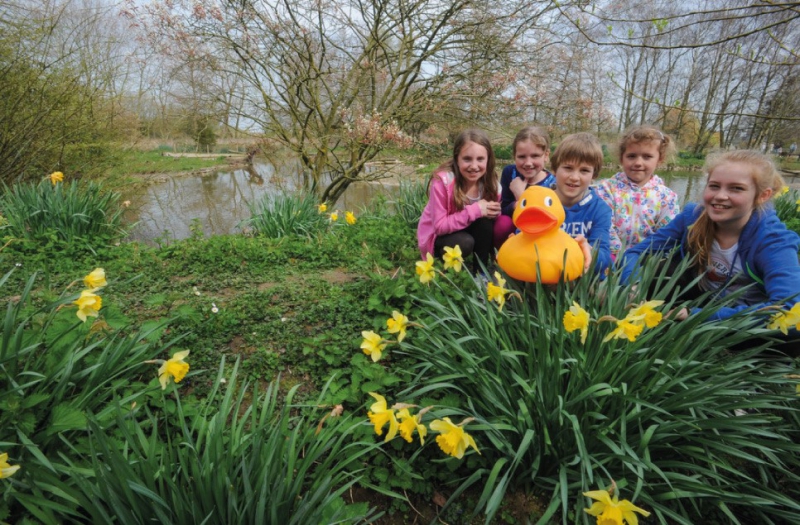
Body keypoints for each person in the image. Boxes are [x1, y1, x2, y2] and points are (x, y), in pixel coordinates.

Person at [620, 150, 800, 351]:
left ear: (762, 195)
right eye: (714, 186)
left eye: (736, 188)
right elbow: (636, 253)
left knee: (792, 331)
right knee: (661, 268)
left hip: (743, 318)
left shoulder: (773, 241)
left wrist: (696, 315)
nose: (720, 196)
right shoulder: (692, 216)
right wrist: (633, 285)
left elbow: (789, 307)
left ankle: (728, 350)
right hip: (703, 298)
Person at [417, 128, 501, 272]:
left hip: (465, 229)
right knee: (464, 242)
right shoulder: (443, 183)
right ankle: (444, 266)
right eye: (467, 159)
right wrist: (475, 210)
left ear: (488, 159)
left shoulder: (492, 186)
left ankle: (480, 272)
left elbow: (490, 224)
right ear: (457, 158)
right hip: (439, 236)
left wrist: (495, 213)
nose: (474, 166)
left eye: (480, 159)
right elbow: (439, 227)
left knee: (486, 223)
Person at [596, 125, 680, 260]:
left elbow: (666, 233)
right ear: (621, 158)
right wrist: (619, 256)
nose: (638, 162)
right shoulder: (606, 189)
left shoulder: (667, 197)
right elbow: (604, 226)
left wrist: (639, 257)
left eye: (647, 157)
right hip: (610, 257)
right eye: (631, 156)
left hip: (645, 259)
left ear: (660, 159)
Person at [548, 133, 612, 276]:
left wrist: (588, 251)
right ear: (555, 169)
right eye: (568, 168)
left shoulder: (600, 210)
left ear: (594, 175)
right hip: (545, 274)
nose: (574, 177)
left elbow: (604, 257)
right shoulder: (539, 202)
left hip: (584, 278)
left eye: (584, 170)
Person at [495, 126, 556, 247]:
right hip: (513, 230)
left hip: (539, 234)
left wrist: (521, 197)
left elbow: (545, 219)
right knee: (502, 224)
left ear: (546, 155)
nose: (528, 163)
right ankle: (500, 255)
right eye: (522, 157)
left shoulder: (553, 184)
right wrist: (515, 205)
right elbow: (503, 210)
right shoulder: (510, 173)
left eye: (535, 156)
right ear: (514, 156)